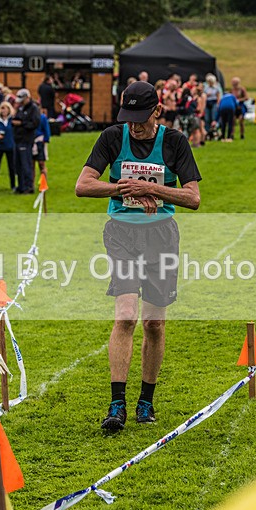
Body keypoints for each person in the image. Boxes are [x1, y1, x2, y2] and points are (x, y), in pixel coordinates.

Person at [74, 81, 202, 432]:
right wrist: (121, 189)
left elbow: (193, 198)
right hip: (122, 234)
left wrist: (153, 189)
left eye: (141, 118)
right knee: (127, 316)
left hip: (161, 236)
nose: (134, 125)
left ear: (157, 111)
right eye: (128, 117)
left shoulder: (175, 142)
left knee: (154, 324)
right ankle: (117, 405)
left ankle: (147, 400)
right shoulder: (113, 137)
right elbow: (82, 185)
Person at [11, 88, 41, 194]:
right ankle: (21, 186)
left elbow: (34, 123)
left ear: (27, 98)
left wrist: (21, 123)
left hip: (26, 139)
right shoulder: (20, 108)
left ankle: (29, 186)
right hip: (17, 139)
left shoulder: (34, 108)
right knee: (17, 164)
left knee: (26, 163)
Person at [0, 101, 15, 191]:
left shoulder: (11, 120)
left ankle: (13, 185)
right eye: (2, 108)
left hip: (10, 145)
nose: (4, 111)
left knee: (11, 167)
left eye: (6, 109)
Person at [33, 106, 51, 179]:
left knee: (41, 163)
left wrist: (45, 139)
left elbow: (46, 129)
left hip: (40, 141)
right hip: (31, 141)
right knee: (31, 164)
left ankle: (44, 183)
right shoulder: (30, 117)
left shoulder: (42, 117)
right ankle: (31, 184)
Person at [203, 74, 222, 139]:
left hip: (214, 102)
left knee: (214, 118)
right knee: (207, 118)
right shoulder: (205, 87)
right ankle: (207, 132)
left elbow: (218, 96)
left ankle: (215, 131)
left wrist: (217, 104)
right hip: (207, 102)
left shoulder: (217, 87)